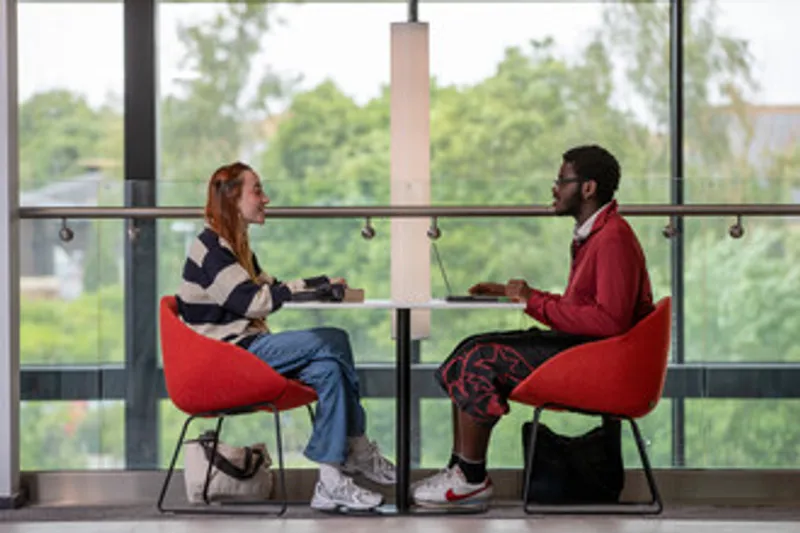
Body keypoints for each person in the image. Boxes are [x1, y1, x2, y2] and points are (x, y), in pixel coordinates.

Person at [412, 144, 655, 509]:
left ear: (587, 188)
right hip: (586, 351)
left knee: (480, 359)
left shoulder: (613, 239)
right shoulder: (595, 234)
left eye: (561, 180)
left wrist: (532, 301)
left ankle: (471, 479)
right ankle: (461, 469)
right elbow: (583, 309)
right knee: (469, 348)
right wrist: (518, 295)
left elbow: (609, 321)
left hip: (601, 363)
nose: (554, 188)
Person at [176, 162, 395, 512]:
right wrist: (296, 292)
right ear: (233, 199)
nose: (266, 198)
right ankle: (357, 445)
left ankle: (330, 482)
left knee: (329, 370)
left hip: (246, 350)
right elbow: (251, 302)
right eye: (257, 191)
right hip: (229, 358)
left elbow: (272, 287)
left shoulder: (237, 247)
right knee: (333, 339)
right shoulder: (210, 249)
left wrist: (322, 285)